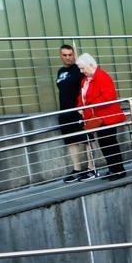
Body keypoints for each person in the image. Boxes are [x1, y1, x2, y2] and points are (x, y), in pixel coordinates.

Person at [76, 53, 129, 181]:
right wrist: (80, 107)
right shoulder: (86, 80)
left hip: (107, 116)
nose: (81, 71)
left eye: (83, 68)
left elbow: (108, 96)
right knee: (105, 144)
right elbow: (82, 97)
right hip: (98, 117)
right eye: (80, 69)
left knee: (109, 143)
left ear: (91, 65)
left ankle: (118, 170)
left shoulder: (101, 76)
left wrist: (89, 105)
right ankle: (113, 169)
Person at [54, 44, 90, 182]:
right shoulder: (60, 71)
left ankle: (91, 167)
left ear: (74, 54)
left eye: (70, 54)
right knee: (71, 141)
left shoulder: (79, 69)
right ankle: (77, 169)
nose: (68, 57)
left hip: (78, 110)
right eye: (65, 55)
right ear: (60, 56)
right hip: (64, 111)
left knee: (86, 139)